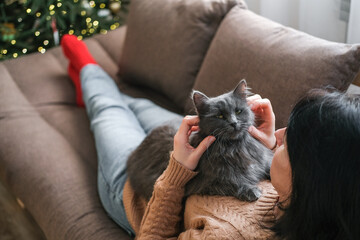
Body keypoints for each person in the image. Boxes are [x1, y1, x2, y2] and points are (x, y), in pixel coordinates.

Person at [61, 35, 360, 239]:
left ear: (312, 176)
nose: (278, 133)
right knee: (139, 104)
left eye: (289, 142)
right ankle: (92, 83)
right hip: (192, 142)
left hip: (141, 189)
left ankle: (87, 69)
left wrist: (177, 172)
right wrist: (269, 148)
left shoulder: (229, 234)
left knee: (108, 110)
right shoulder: (317, 200)